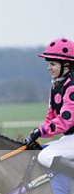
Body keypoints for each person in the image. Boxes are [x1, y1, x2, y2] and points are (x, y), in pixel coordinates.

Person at [23, 37, 74, 175]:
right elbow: (50, 117)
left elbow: (64, 121)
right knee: (41, 151)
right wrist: (37, 133)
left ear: (66, 65)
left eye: (53, 64)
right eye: (48, 63)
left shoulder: (72, 87)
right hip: (70, 138)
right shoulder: (56, 85)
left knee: (45, 156)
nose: (49, 68)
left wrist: (40, 131)